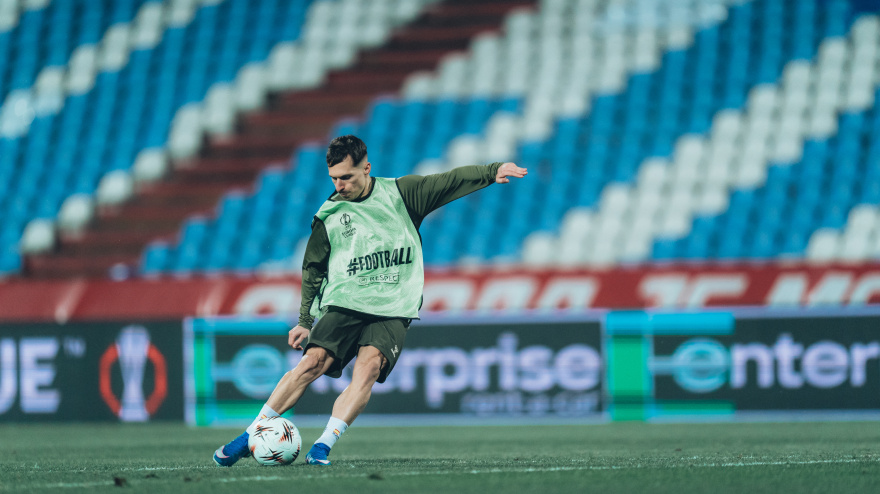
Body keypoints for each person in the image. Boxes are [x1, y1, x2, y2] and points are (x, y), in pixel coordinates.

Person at [213, 135, 528, 466]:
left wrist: (492, 171)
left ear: (367, 167)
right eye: (334, 178)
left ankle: (322, 446)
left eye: (346, 177)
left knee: (368, 368)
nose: (340, 185)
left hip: (393, 305)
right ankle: (251, 434)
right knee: (312, 362)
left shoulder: (402, 194)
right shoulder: (329, 214)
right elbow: (313, 268)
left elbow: (448, 181)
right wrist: (305, 321)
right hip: (346, 300)